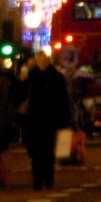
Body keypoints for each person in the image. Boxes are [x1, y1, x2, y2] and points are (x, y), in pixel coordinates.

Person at [23, 51, 72, 191]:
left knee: (48, 151)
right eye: (39, 61)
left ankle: (48, 178)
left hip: (51, 119)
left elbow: (62, 100)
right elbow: (26, 95)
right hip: (35, 119)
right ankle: (37, 180)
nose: (41, 63)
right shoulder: (32, 76)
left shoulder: (56, 78)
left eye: (44, 61)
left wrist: (64, 120)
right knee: (36, 152)